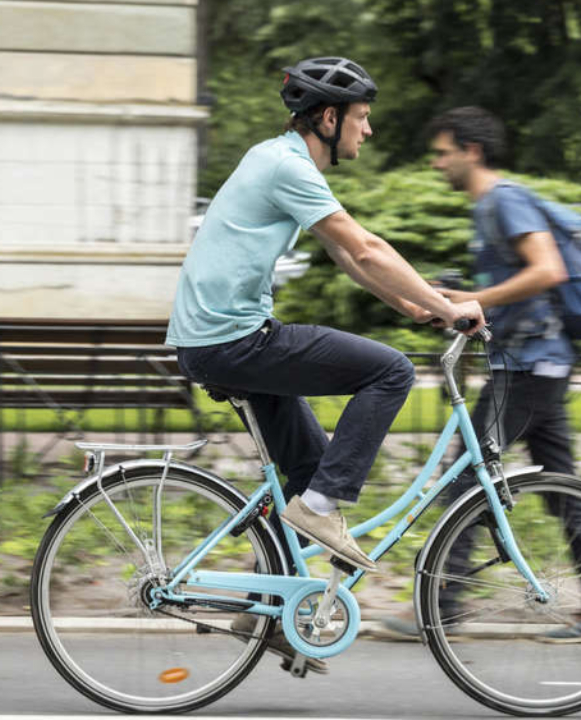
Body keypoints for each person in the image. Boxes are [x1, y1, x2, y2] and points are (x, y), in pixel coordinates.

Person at [165, 57, 485, 669]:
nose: (369, 130)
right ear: (329, 117)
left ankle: (269, 614)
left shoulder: (279, 161)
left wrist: (416, 303)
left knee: (309, 470)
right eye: (362, 118)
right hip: (234, 339)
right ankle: (318, 509)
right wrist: (446, 308)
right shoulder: (288, 166)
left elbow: (350, 258)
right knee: (389, 372)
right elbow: (366, 245)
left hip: (218, 338)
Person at [380, 106, 581, 643]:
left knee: (466, 478)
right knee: (560, 489)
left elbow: (548, 269)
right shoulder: (489, 208)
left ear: (472, 151)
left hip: (530, 366)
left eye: (443, 153)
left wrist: (472, 301)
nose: (437, 163)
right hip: (534, 363)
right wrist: (452, 308)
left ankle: (442, 606)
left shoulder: (504, 200)